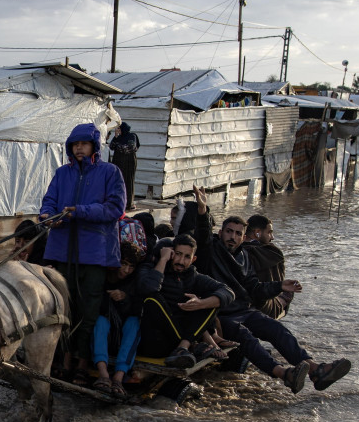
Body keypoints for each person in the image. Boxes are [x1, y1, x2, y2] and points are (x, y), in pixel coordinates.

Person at [192, 186, 352, 393]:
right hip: (220, 315)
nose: (232, 237)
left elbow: (254, 288)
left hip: (244, 310)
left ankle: (315, 369)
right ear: (221, 233)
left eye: (238, 234)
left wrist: (280, 286)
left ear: (244, 238)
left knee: (276, 329)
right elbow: (203, 234)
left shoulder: (244, 257)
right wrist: (203, 209)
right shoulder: (210, 251)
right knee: (246, 337)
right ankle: (283, 374)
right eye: (229, 232)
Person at [40, 122, 126, 385]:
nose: (79, 148)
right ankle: (64, 359)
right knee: (64, 309)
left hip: (95, 253)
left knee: (88, 312)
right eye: (75, 144)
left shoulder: (110, 172)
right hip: (63, 252)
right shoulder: (62, 173)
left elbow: (116, 207)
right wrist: (47, 216)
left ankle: (82, 363)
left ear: (94, 147)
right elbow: (49, 201)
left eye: (83, 144)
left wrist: (80, 211)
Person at [136, 234, 235, 369]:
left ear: (193, 259)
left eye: (187, 257)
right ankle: (194, 346)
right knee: (152, 299)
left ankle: (184, 346)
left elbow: (227, 291)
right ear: (171, 253)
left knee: (213, 300)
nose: (181, 261)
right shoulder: (152, 267)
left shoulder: (192, 276)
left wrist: (201, 303)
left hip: (180, 340)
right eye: (178, 254)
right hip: (155, 341)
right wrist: (164, 260)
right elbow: (148, 289)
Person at [91, 243, 144, 398]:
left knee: (133, 323)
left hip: (122, 335)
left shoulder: (134, 282)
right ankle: (103, 374)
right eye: (124, 264)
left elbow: (137, 307)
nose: (126, 270)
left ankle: (118, 377)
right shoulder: (101, 276)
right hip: (105, 333)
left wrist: (125, 298)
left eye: (131, 266)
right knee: (100, 321)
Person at [242, 214, 293, 319]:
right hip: (263, 306)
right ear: (257, 233)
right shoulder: (272, 253)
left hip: (241, 302)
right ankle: (280, 303)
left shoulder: (236, 251)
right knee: (289, 289)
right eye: (269, 232)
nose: (272, 237)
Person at [109, 122, 140, 211]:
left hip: (128, 161)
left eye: (119, 129)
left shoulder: (131, 136)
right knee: (118, 181)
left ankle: (128, 203)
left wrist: (118, 146)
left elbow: (130, 147)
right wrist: (115, 136)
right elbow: (111, 146)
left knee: (128, 181)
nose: (118, 130)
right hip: (118, 161)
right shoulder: (118, 138)